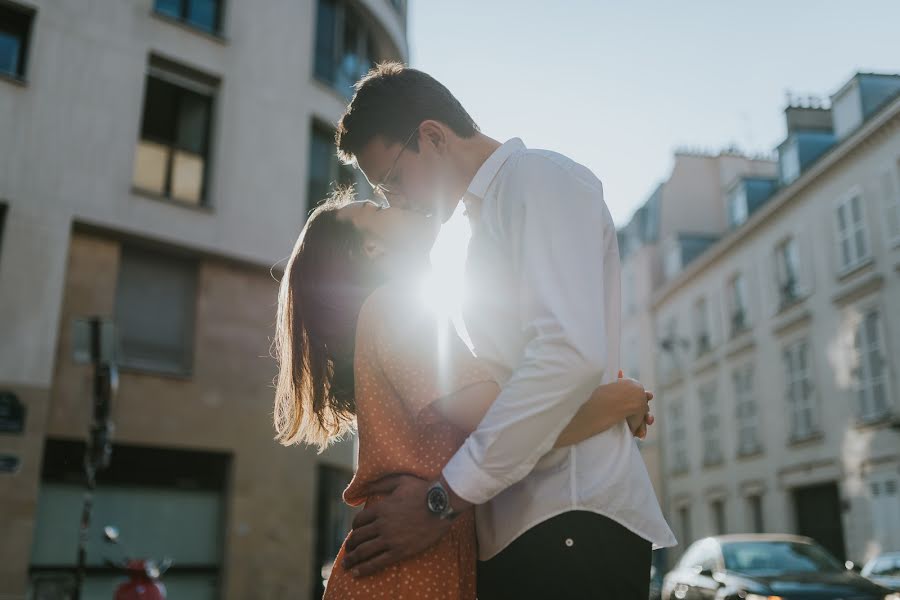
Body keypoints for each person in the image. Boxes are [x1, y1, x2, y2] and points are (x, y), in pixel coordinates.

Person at [335, 62, 677, 599]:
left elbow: (567, 353)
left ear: (432, 136)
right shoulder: (482, 222)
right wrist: (614, 400)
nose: (397, 201)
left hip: (568, 518)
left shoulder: (535, 178)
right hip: (531, 527)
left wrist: (441, 501)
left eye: (395, 180)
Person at [272, 190, 655, 599]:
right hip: (408, 571)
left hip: (418, 562)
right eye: (376, 210)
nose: (396, 202)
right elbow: (511, 426)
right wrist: (622, 399)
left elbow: (513, 423)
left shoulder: (396, 312)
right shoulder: (395, 308)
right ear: (372, 247)